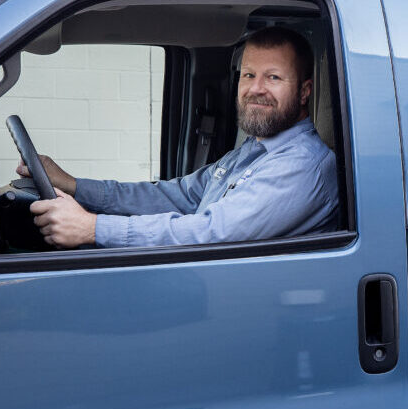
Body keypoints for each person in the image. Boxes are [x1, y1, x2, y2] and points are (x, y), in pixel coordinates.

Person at [21, 26, 339, 248]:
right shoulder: (254, 150)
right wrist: (73, 185)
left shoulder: (303, 164)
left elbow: (212, 232)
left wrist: (92, 228)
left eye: (273, 77)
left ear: (304, 92)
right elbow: (178, 196)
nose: (256, 88)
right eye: (248, 75)